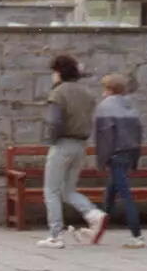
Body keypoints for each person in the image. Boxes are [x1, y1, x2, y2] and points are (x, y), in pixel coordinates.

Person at [38, 54, 106, 250]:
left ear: (58, 72)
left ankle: (55, 235)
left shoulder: (58, 93)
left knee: (51, 190)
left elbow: (54, 121)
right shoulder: (86, 93)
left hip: (62, 144)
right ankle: (95, 215)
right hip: (81, 145)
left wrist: (50, 140)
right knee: (68, 190)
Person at [91, 73, 145, 248]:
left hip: (115, 154)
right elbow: (138, 132)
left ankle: (136, 235)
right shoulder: (131, 106)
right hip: (130, 152)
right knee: (111, 193)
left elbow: (104, 136)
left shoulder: (105, 107)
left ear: (108, 89)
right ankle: (97, 231)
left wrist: (102, 160)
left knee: (126, 194)